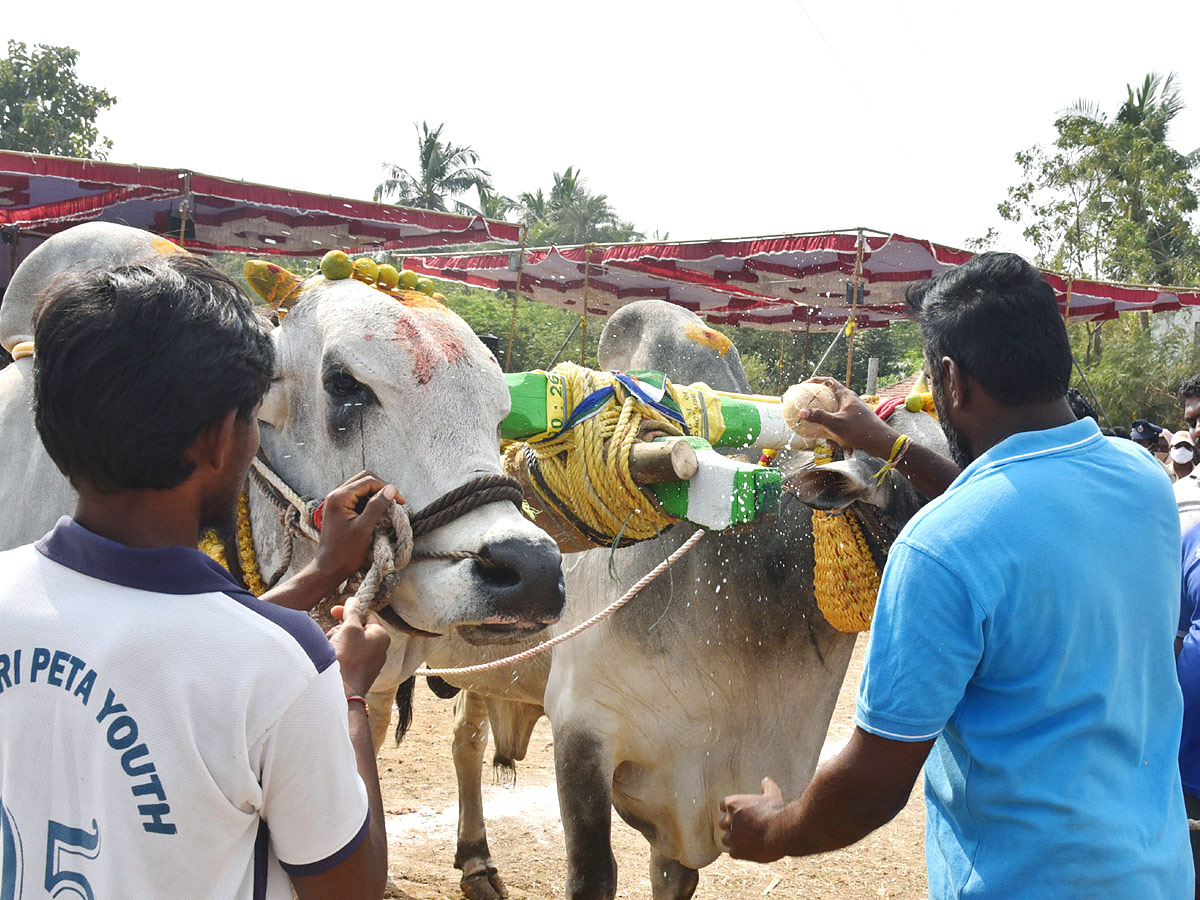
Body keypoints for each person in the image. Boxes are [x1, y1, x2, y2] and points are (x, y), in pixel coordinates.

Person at [720, 252, 1191, 898]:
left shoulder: (936, 551)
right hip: (1157, 876)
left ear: (951, 380)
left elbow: (870, 788)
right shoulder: (1144, 482)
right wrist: (886, 445)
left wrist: (772, 831)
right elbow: (1015, 510)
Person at [0, 256, 398, 900]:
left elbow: (170, 651)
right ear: (219, 438)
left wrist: (322, 571)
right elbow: (350, 890)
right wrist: (347, 693)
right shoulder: (288, 669)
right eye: (252, 419)